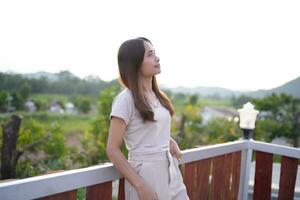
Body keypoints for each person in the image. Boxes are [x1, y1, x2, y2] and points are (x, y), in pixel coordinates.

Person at [106, 37, 189, 200]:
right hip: (146, 174)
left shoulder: (158, 96)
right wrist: (141, 185)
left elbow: (149, 128)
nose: (157, 58)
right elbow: (112, 149)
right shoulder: (125, 100)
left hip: (170, 170)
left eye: (155, 53)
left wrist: (168, 141)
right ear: (135, 62)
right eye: (150, 54)